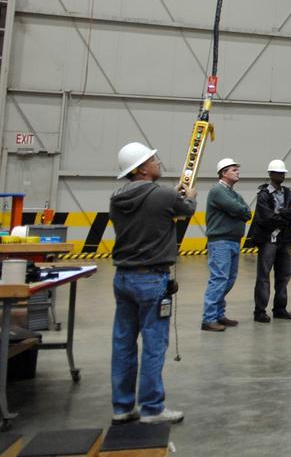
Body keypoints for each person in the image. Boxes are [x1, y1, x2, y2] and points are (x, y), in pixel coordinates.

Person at [108, 141, 196, 425]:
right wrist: (190, 195)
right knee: (154, 345)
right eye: (153, 159)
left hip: (123, 277)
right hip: (151, 279)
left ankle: (122, 407)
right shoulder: (162, 194)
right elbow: (186, 209)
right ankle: (152, 408)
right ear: (142, 169)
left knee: (123, 343)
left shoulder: (117, 198)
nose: (158, 162)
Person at [200, 158, 252, 332]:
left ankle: (218, 314)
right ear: (223, 173)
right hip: (220, 241)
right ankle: (208, 319)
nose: (237, 172)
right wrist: (239, 211)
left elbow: (246, 212)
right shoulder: (217, 191)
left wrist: (240, 211)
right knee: (219, 279)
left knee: (228, 279)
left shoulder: (234, 194)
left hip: (233, 241)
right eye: (233, 170)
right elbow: (238, 209)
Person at [248, 159, 291, 323]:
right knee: (263, 276)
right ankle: (260, 311)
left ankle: (280, 308)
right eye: (278, 173)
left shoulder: (289, 193)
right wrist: (286, 217)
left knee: (284, 275)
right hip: (268, 241)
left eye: (283, 173)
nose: (281, 175)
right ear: (271, 175)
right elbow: (265, 217)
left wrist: (282, 213)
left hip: (284, 241)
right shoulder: (263, 195)